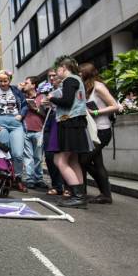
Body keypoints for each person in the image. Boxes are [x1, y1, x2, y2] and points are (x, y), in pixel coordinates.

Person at [47, 57, 93, 208]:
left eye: (58, 69)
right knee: (73, 160)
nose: (56, 72)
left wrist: (52, 98)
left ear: (64, 68)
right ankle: (79, 195)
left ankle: (78, 196)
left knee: (59, 160)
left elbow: (66, 102)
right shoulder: (76, 80)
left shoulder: (69, 80)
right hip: (76, 123)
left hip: (69, 123)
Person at [79, 62, 121, 204]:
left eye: (80, 72)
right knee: (98, 163)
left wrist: (95, 112)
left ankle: (105, 190)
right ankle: (106, 194)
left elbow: (115, 106)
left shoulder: (98, 86)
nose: (78, 74)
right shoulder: (87, 88)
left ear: (87, 73)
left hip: (102, 130)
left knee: (83, 160)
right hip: (92, 130)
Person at [0, 70, 29, 192]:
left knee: (18, 154)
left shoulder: (16, 91)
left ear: (10, 80)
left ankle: (17, 179)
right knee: (5, 151)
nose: (2, 83)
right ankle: (7, 177)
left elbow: (24, 105)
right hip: (0, 123)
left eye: (5, 81)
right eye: (0, 81)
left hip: (15, 123)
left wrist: (21, 115)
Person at [20, 76, 48, 190]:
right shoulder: (22, 98)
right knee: (28, 157)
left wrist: (36, 109)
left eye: (27, 83)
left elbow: (47, 114)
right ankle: (30, 179)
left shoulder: (42, 97)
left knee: (38, 157)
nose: (24, 84)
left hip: (38, 130)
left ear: (33, 85)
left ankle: (39, 179)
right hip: (25, 130)